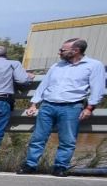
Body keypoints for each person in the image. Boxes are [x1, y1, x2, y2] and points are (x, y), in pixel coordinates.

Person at [18, 37, 103, 176]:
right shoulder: (57, 66)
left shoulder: (93, 65)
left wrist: (89, 108)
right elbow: (44, 85)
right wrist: (34, 104)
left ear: (76, 51)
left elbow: (97, 88)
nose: (59, 52)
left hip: (71, 107)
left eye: (63, 50)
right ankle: (30, 165)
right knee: (38, 138)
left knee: (67, 140)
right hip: (47, 105)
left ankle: (60, 167)